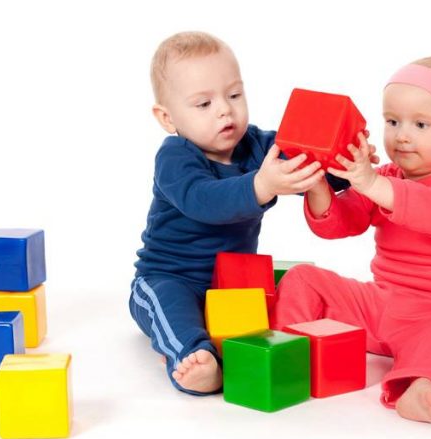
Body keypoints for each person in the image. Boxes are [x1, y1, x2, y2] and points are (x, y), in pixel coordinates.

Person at [270, 57, 431, 424]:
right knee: (302, 279)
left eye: (420, 124)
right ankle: (285, 351)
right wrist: (319, 185)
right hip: (380, 305)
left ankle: (419, 387)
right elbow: (341, 222)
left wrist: (372, 183)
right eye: (392, 121)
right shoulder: (385, 177)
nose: (402, 135)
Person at [129, 31, 346, 395]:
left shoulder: (258, 145)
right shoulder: (175, 157)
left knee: (281, 304)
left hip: (233, 284)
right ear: (167, 118)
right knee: (171, 307)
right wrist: (261, 185)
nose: (225, 110)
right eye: (203, 104)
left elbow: (304, 162)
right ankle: (195, 357)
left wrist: (345, 166)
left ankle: (265, 350)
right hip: (170, 277)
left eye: (234, 95)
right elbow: (205, 201)